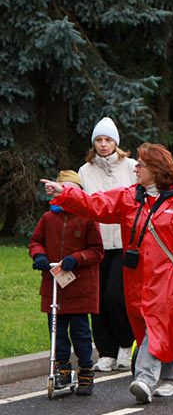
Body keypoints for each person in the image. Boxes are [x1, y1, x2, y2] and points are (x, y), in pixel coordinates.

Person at [41, 143, 173, 403]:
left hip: (167, 276)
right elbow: (96, 205)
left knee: (156, 323)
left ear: (157, 170)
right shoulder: (130, 197)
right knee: (147, 326)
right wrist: (64, 193)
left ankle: (143, 378)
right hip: (135, 276)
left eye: (142, 164)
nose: (136, 168)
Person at [29, 170, 104, 396]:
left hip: (80, 287)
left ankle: (85, 370)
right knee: (57, 331)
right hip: (55, 288)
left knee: (80, 332)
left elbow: (97, 252)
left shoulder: (87, 218)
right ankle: (62, 367)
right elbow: (36, 241)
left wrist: (76, 259)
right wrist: (39, 256)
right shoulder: (48, 218)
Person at [78, 117, 137, 372]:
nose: (103, 145)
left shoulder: (132, 167)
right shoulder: (85, 171)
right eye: (99, 140)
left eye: (108, 140)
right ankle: (106, 351)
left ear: (116, 142)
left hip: (124, 242)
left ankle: (126, 344)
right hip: (97, 244)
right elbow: (83, 205)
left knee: (117, 296)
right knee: (97, 299)